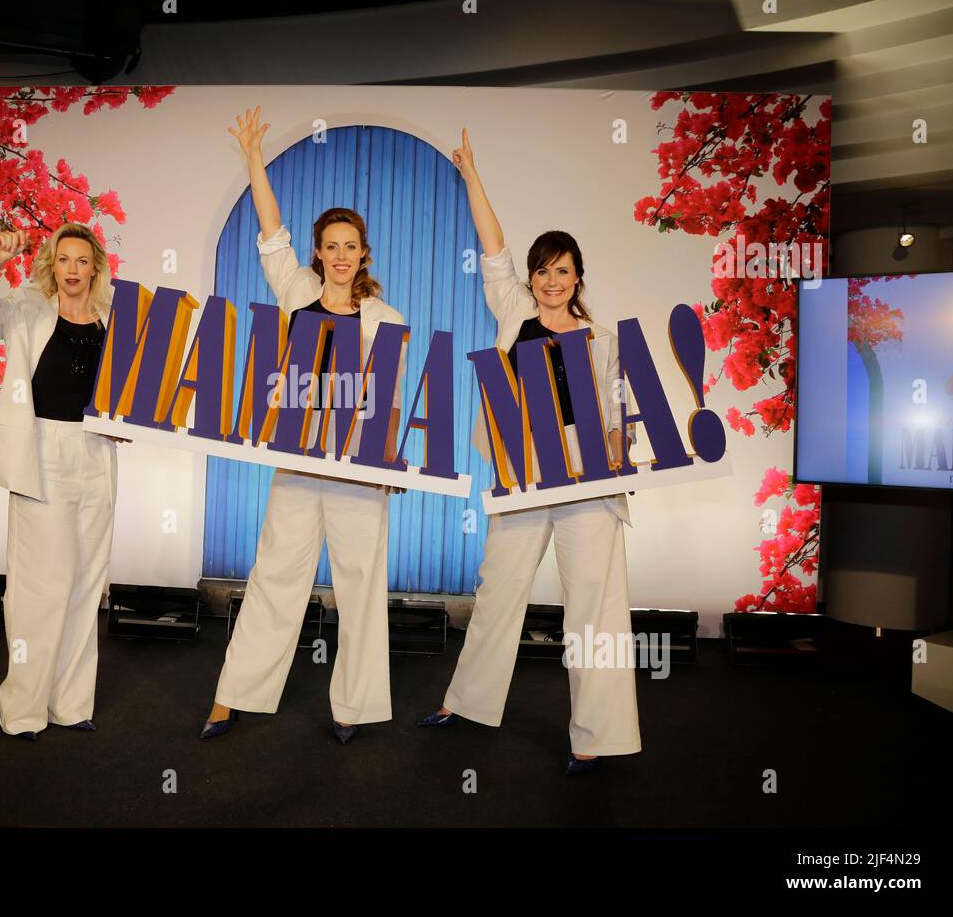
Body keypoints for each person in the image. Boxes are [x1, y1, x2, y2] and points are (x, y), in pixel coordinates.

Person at [418, 129, 642, 775]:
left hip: (585, 478)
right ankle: (465, 703)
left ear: (578, 278)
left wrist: (616, 457)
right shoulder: (512, 309)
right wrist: (471, 174)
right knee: (499, 588)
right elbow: (494, 249)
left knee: (594, 601)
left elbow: (616, 415)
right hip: (523, 466)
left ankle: (593, 737)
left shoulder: (601, 340)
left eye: (561, 269)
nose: (549, 279)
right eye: (542, 269)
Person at [201, 107, 407, 744]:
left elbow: (390, 397)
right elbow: (271, 232)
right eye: (331, 247)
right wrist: (255, 161)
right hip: (299, 459)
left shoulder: (386, 315)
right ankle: (233, 696)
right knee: (274, 576)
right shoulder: (295, 293)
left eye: (351, 247)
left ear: (362, 253)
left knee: (361, 587)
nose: (341, 256)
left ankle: (353, 707)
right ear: (319, 253)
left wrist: (388, 460)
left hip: (358, 469)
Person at [0, 222, 130, 742]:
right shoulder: (28, 310)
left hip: (96, 454)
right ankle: (24, 710)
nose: (73, 269)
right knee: (42, 586)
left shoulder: (112, 323)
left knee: (85, 582)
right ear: (52, 266)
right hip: (41, 454)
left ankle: (71, 703)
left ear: (95, 268)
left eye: (83, 261)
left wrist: (124, 424)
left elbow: (122, 395)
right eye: (65, 260)